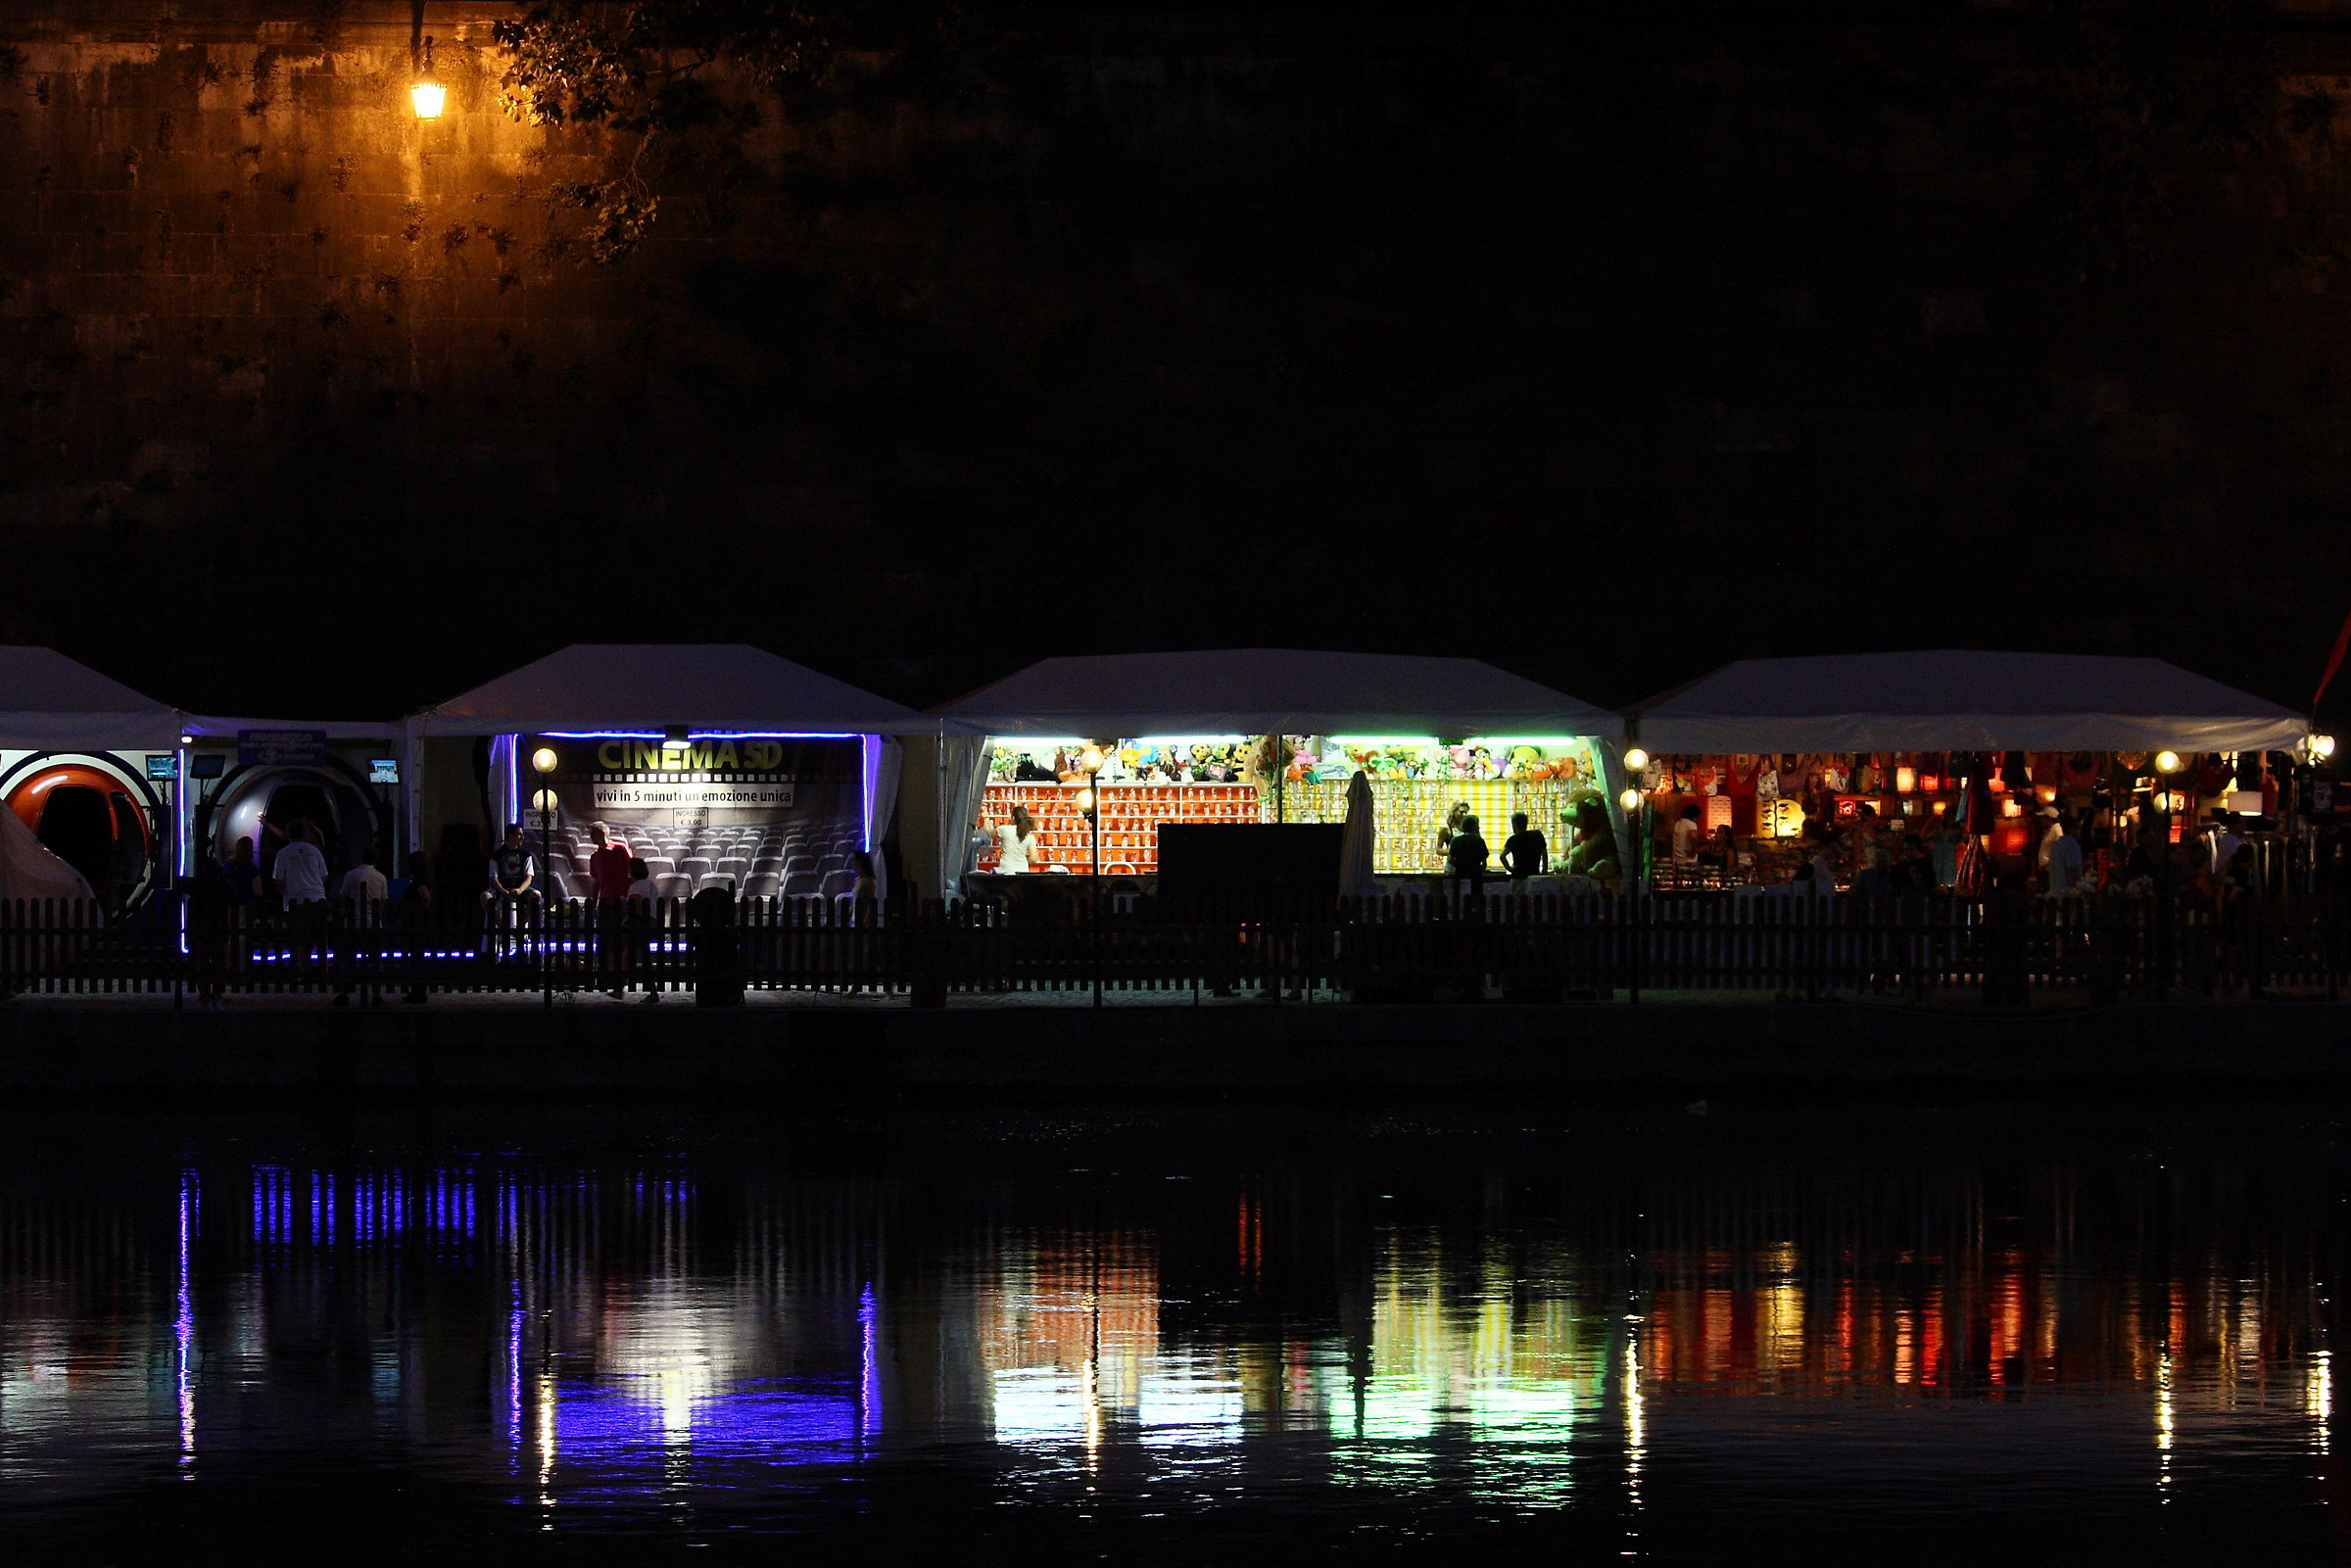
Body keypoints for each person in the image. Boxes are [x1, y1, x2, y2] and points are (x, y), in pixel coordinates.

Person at [481, 822, 540, 933]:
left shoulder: (526, 855)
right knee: (485, 897)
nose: (522, 837)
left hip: (518, 888)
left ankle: (521, 926)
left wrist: (520, 890)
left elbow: (529, 877)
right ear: (510, 835)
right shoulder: (496, 855)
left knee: (536, 895)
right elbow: (493, 878)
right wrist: (503, 891)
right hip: (500, 889)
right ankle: (502, 928)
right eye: (519, 834)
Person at [271, 821, 328, 909]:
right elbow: (324, 875)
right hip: (317, 898)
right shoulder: (314, 850)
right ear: (304, 833)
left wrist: (289, 890)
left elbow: (278, 880)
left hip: (295, 901)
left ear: (288, 834)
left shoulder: (283, 853)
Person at [586, 821, 634, 903]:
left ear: (602, 834)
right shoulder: (594, 857)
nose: (590, 837)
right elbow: (596, 882)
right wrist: (594, 903)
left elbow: (632, 869)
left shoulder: (620, 848)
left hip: (622, 897)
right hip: (605, 899)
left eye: (593, 834)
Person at [1446, 812, 1489, 899]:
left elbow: (1450, 859)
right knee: (1476, 899)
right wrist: (1479, 869)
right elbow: (1484, 862)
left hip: (1460, 874)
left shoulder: (1456, 841)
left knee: (1459, 898)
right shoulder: (1479, 841)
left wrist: (1458, 866)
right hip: (1476, 875)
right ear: (1474, 827)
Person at [2041, 813, 2084, 896]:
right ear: (2073, 829)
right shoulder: (2072, 845)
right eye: (2078, 828)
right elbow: (2072, 870)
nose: (2080, 831)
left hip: (2054, 892)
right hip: (2068, 895)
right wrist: (2078, 889)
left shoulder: (2056, 846)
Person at [1501, 812, 1548, 879]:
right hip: (1534, 875)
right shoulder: (1537, 835)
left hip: (1518, 876)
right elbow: (1544, 854)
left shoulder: (1513, 839)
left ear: (1514, 825)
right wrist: (1544, 871)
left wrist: (1510, 869)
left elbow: (1502, 856)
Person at [994, 805, 1040, 874]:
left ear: (1013, 818)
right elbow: (1033, 859)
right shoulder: (1030, 836)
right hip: (1023, 871)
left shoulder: (1004, 830)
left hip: (1006, 871)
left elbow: (987, 833)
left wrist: (986, 818)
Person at [221, 836, 266, 904]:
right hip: (246, 903)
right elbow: (258, 892)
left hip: (229, 902)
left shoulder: (227, 863)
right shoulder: (251, 869)